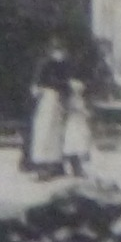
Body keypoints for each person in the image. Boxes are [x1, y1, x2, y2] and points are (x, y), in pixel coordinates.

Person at [28, 38, 74, 180]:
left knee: (53, 132)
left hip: (55, 100)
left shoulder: (60, 64)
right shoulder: (47, 64)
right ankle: (44, 165)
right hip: (49, 98)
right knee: (45, 131)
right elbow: (38, 85)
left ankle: (52, 164)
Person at [60, 73, 92, 178]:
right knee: (75, 143)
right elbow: (75, 109)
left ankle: (78, 168)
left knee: (79, 143)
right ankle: (77, 169)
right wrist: (85, 112)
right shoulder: (73, 100)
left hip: (79, 123)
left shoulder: (78, 100)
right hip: (74, 124)